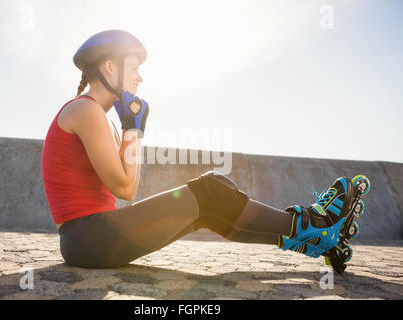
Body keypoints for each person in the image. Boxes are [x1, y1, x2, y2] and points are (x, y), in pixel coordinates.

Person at [41, 30, 368, 272]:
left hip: (91, 240)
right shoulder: (86, 111)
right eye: (134, 67)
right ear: (109, 68)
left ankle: (314, 240)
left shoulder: (101, 119)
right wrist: (134, 129)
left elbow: (124, 188)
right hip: (88, 237)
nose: (141, 76)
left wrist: (129, 128)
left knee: (209, 207)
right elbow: (125, 188)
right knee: (209, 192)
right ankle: (315, 223)